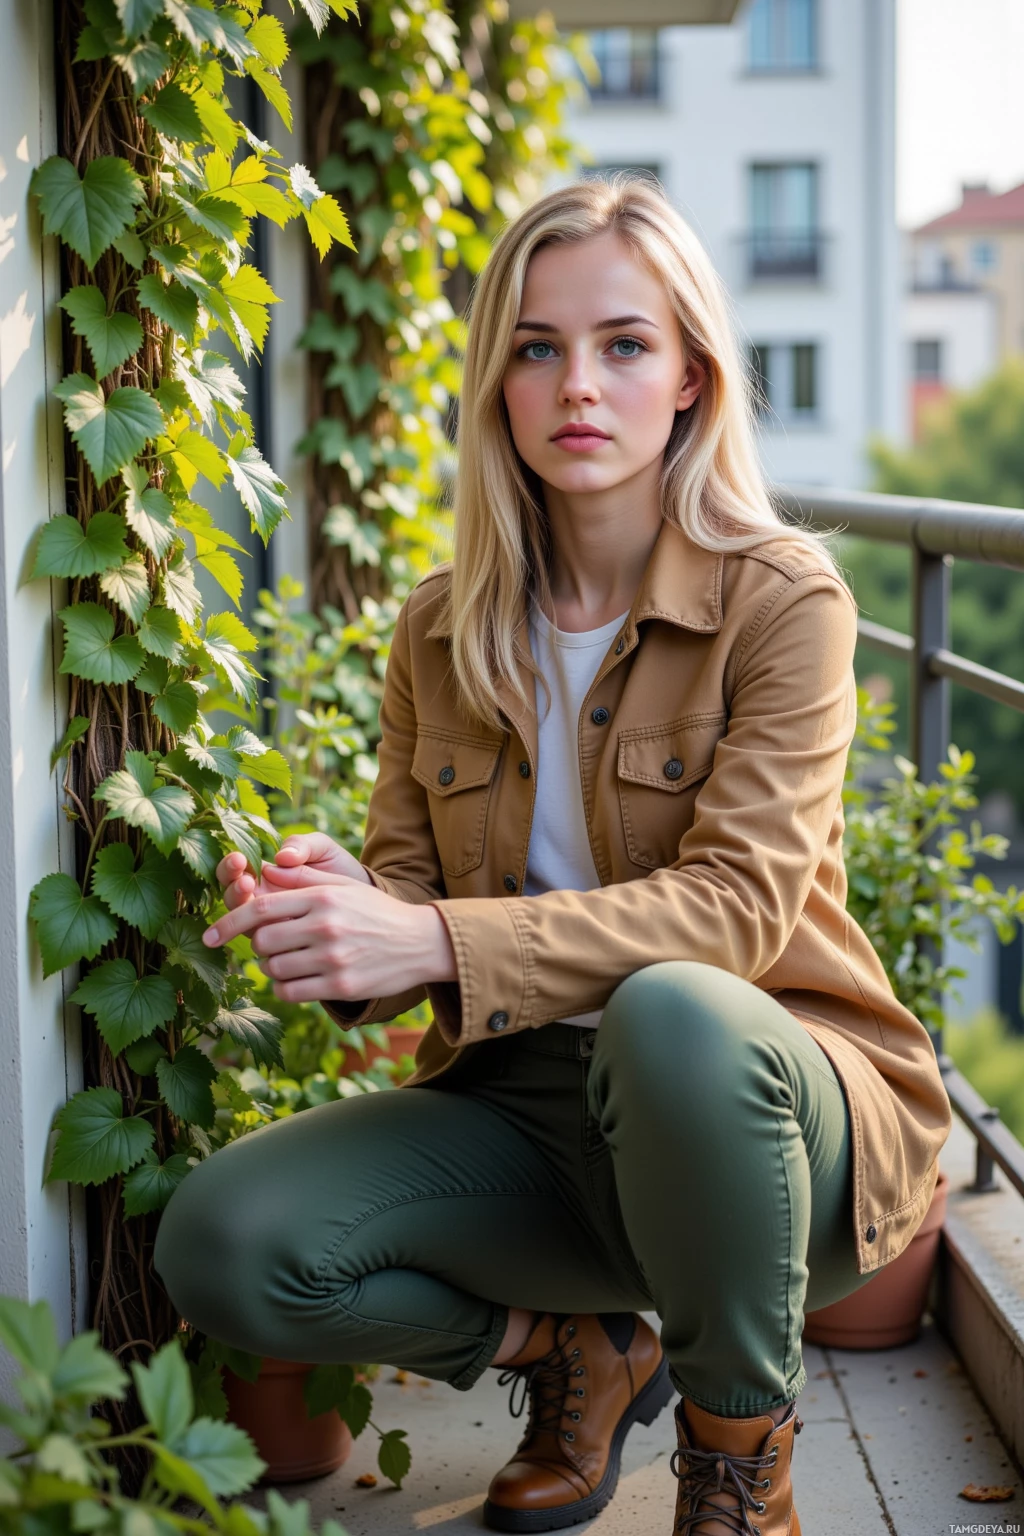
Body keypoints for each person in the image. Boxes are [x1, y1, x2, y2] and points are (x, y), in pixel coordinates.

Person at [153, 174, 951, 1536]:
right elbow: (410, 898)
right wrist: (340, 918)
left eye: (624, 344)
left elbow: (740, 915)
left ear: (692, 379)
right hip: (531, 1116)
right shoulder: (440, 628)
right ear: (499, 386)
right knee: (226, 1245)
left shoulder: (784, 602)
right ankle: (571, 1349)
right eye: (537, 347)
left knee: (677, 1013)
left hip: (768, 1131)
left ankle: (738, 1466)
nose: (579, 383)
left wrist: (436, 940)